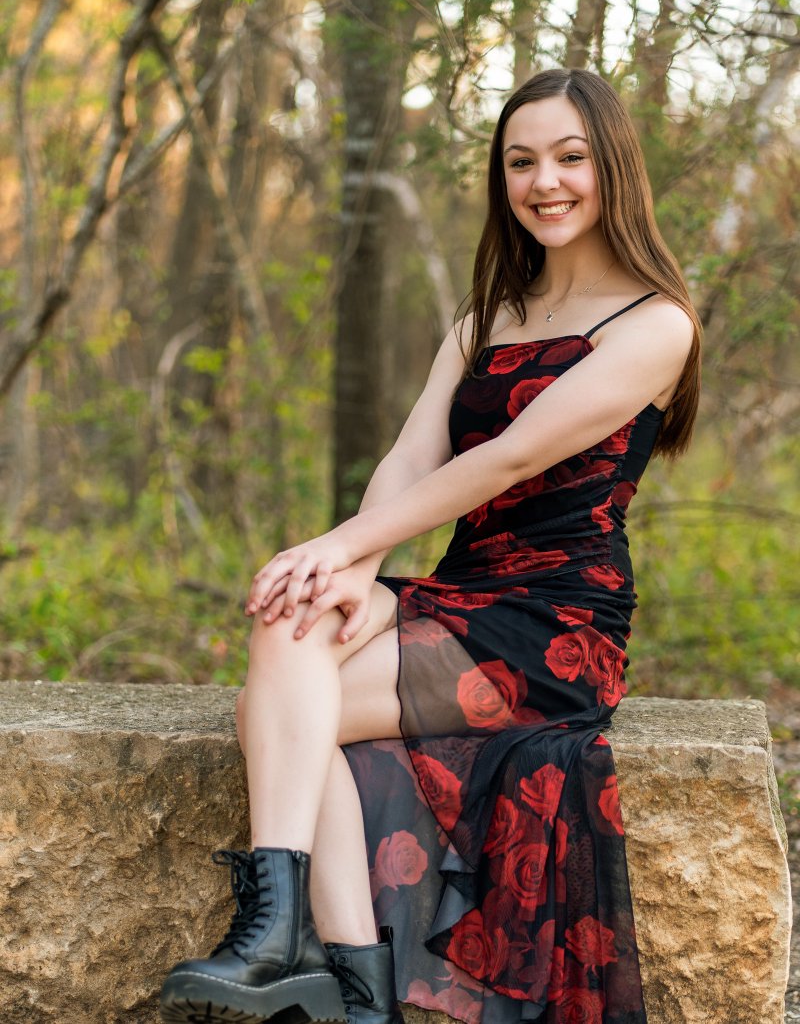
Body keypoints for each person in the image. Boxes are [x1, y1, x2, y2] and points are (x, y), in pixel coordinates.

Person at [160, 68, 700, 1024]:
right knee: (292, 634)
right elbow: (412, 457)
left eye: (572, 158)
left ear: (614, 167)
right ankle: (292, 945)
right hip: (458, 590)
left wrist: (338, 543)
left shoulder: (656, 325)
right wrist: (345, 572)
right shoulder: (483, 320)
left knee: (280, 711)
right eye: (522, 162)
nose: (547, 182)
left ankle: (339, 978)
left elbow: (506, 459)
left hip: (551, 620)